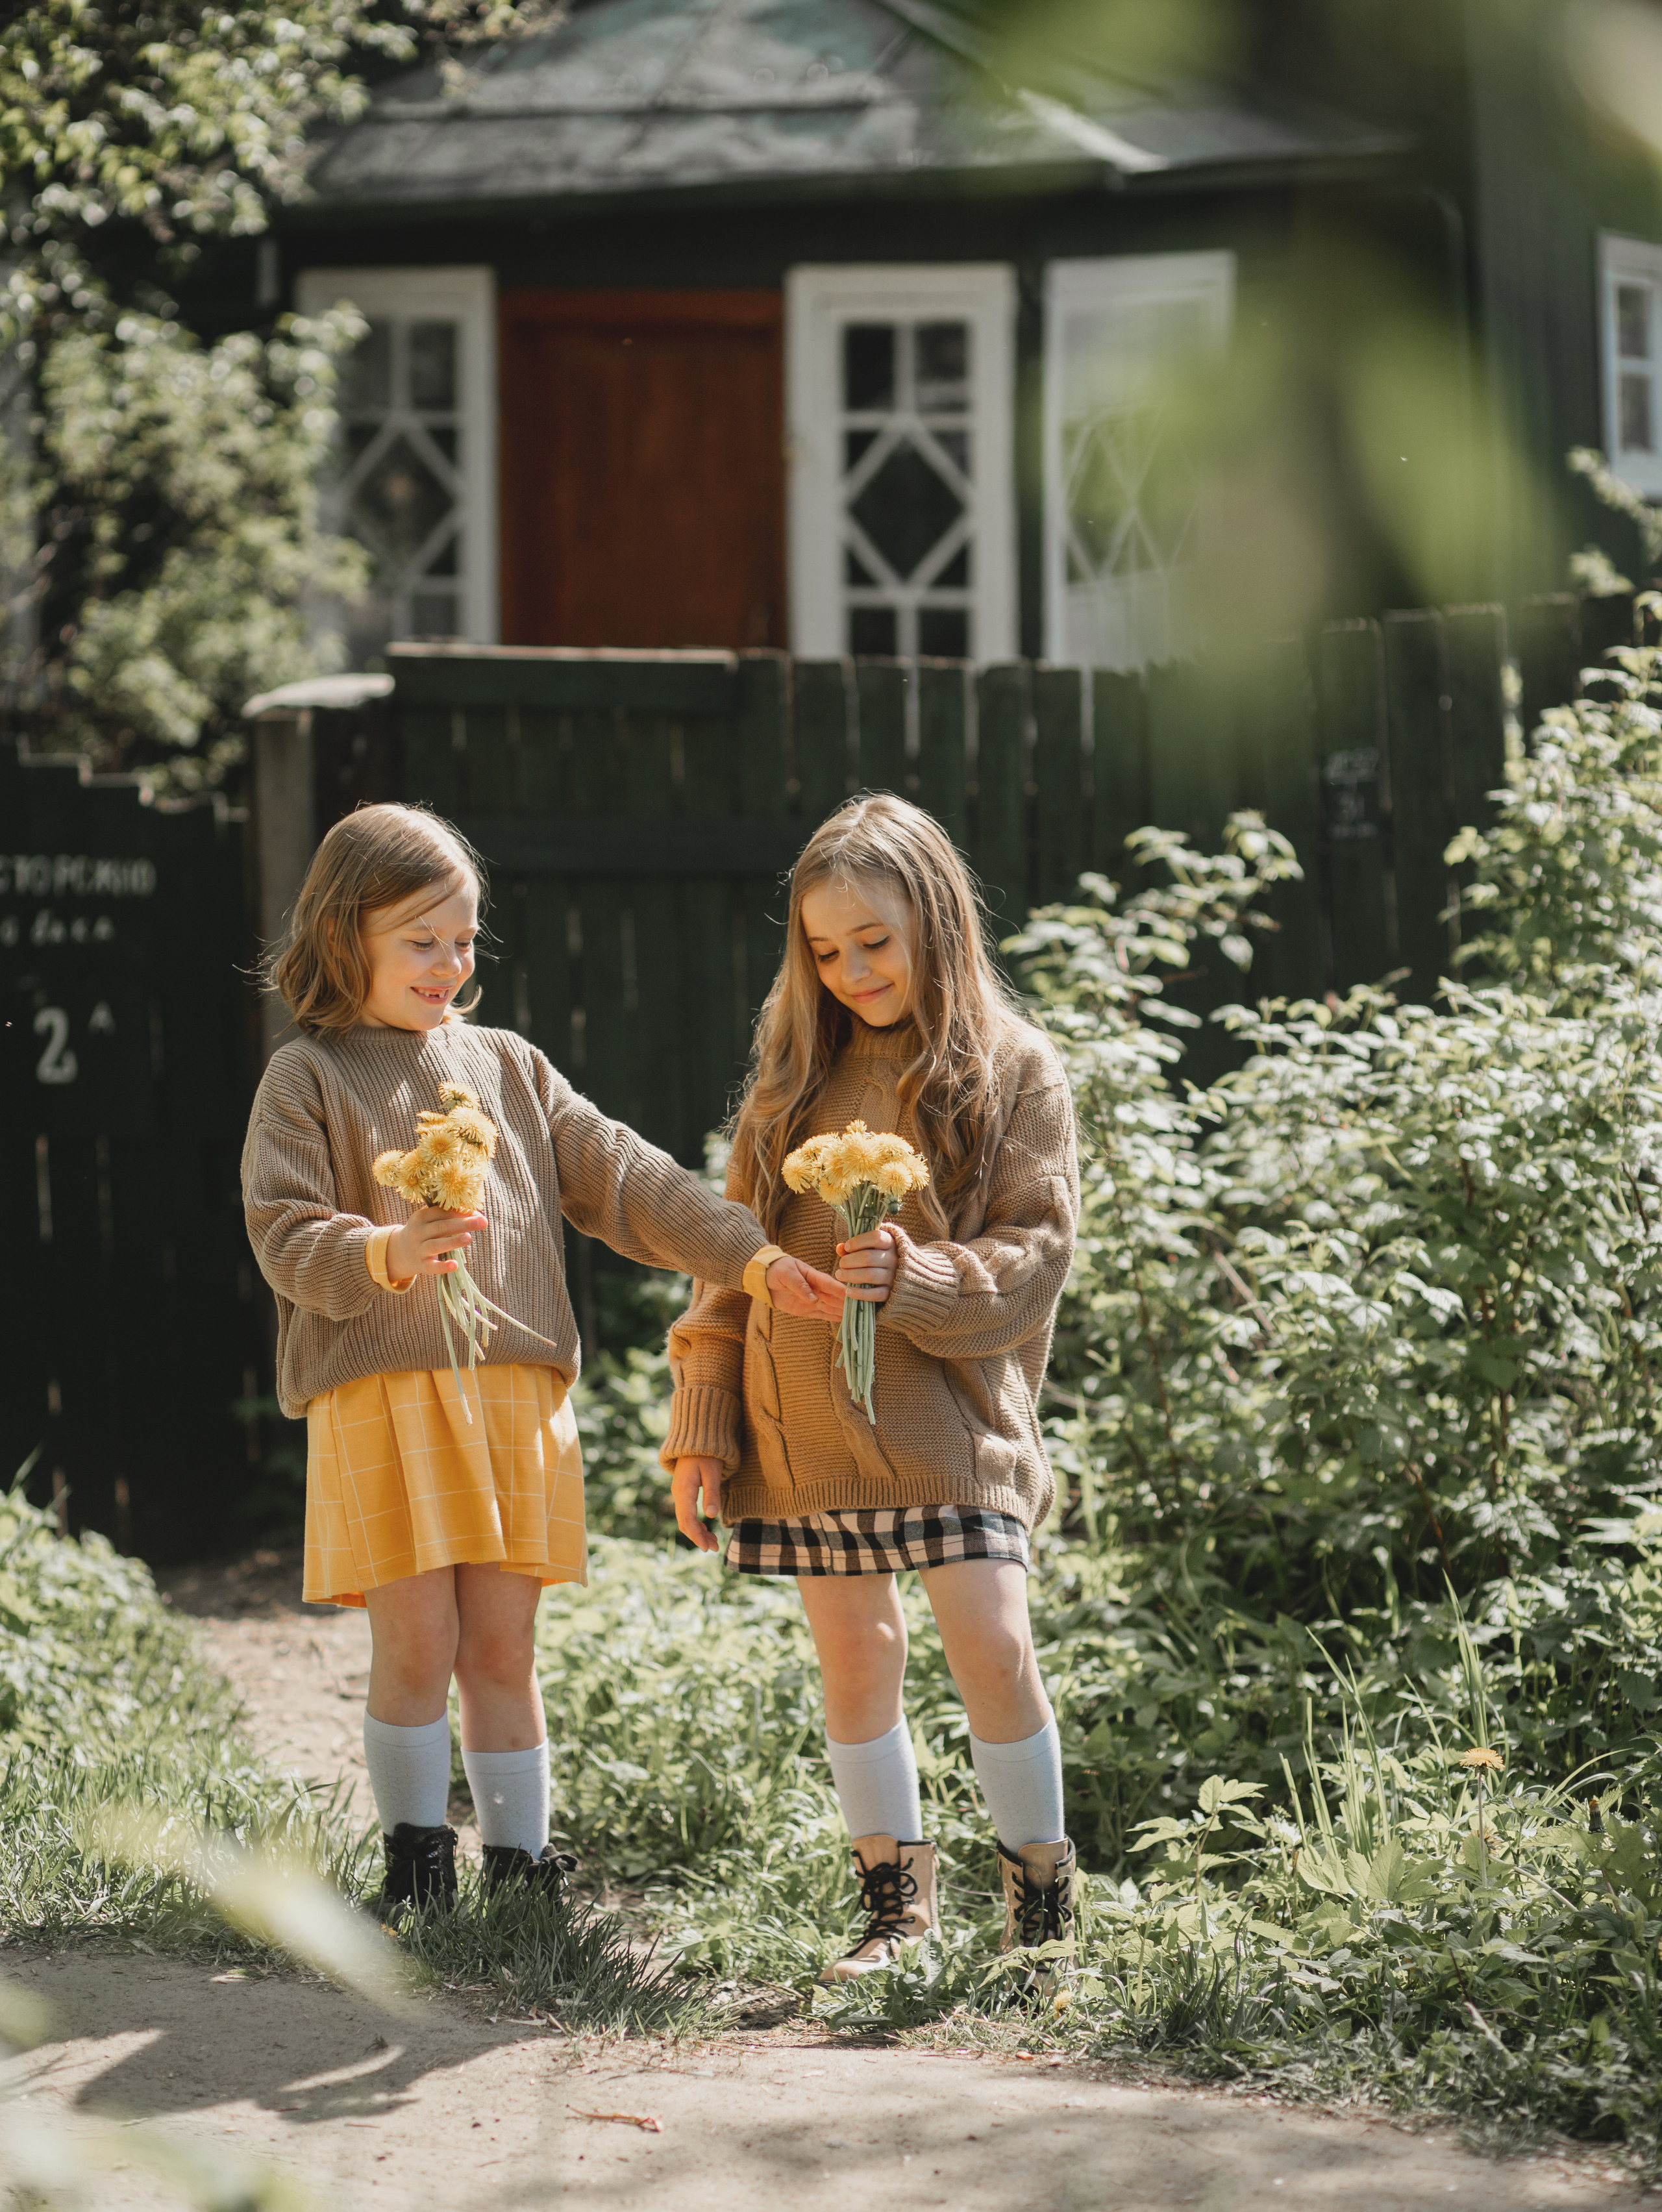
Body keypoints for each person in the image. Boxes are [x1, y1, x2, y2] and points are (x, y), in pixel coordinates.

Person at [242, 802, 842, 1920]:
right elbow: (281, 1232)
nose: (451, 962)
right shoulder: (307, 1079)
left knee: (503, 1648)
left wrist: (752, 1259)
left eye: (465, 938)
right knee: (417, 1639)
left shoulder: (509, 1067)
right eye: (421, 939)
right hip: (382, 1400)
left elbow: (626, 1180)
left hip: (514, 1395)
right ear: (344, 936)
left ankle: (523, 1872)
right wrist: (382, 1250)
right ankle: (417, 1869)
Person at [665, 793, 1081, 1986]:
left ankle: (1040, 1917)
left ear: (938, 922)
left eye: (875, 943)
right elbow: (721, 1268)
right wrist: (703, 1427)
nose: (851, 971)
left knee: (993, 1646)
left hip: (952, 1428)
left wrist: (920, 1275)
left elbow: (1035, 1258)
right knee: (857, 1661)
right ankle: (895, 1913)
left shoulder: (1012, 1072)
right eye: (826, 951)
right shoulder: (791, 1082)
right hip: (802, 1429)